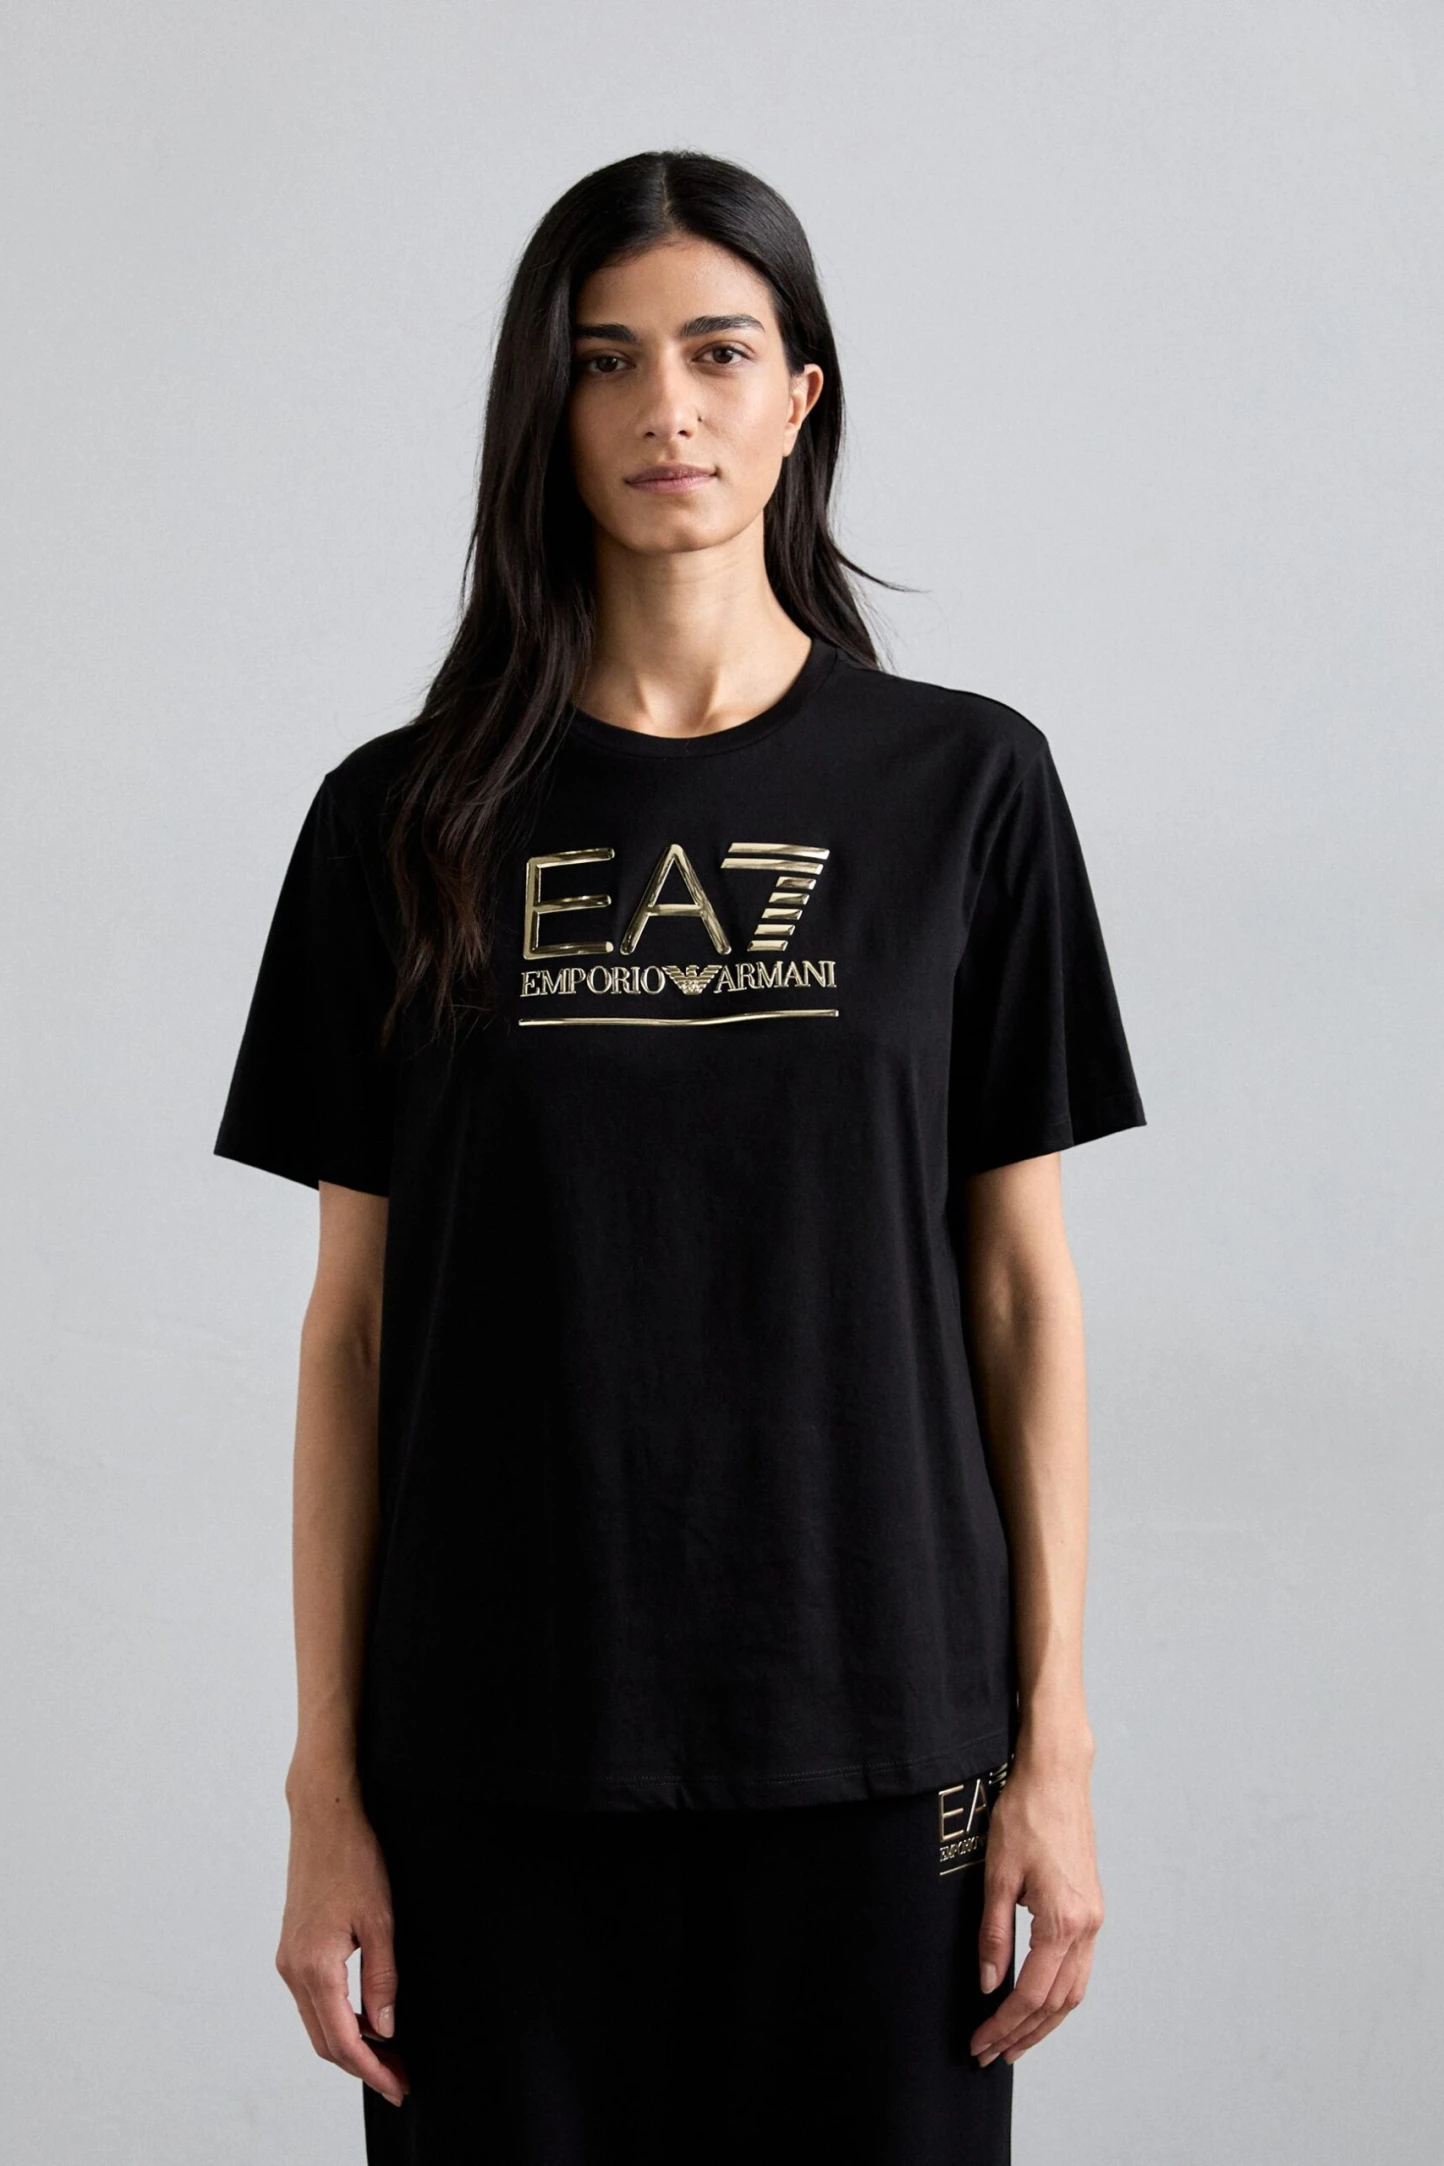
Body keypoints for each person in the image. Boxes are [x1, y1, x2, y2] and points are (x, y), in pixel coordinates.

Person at [213, 148, 1146, 2166]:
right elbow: (353, 1336)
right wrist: (324, 1784)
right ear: (543, 409)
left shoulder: (964, 789)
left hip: (883, 1751)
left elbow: (1020, 1294)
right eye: (605, 359)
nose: (666, 409)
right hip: (491, 1757)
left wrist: (1053, 1742)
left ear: (801, 394)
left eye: (719, 353)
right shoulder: (400, 822)